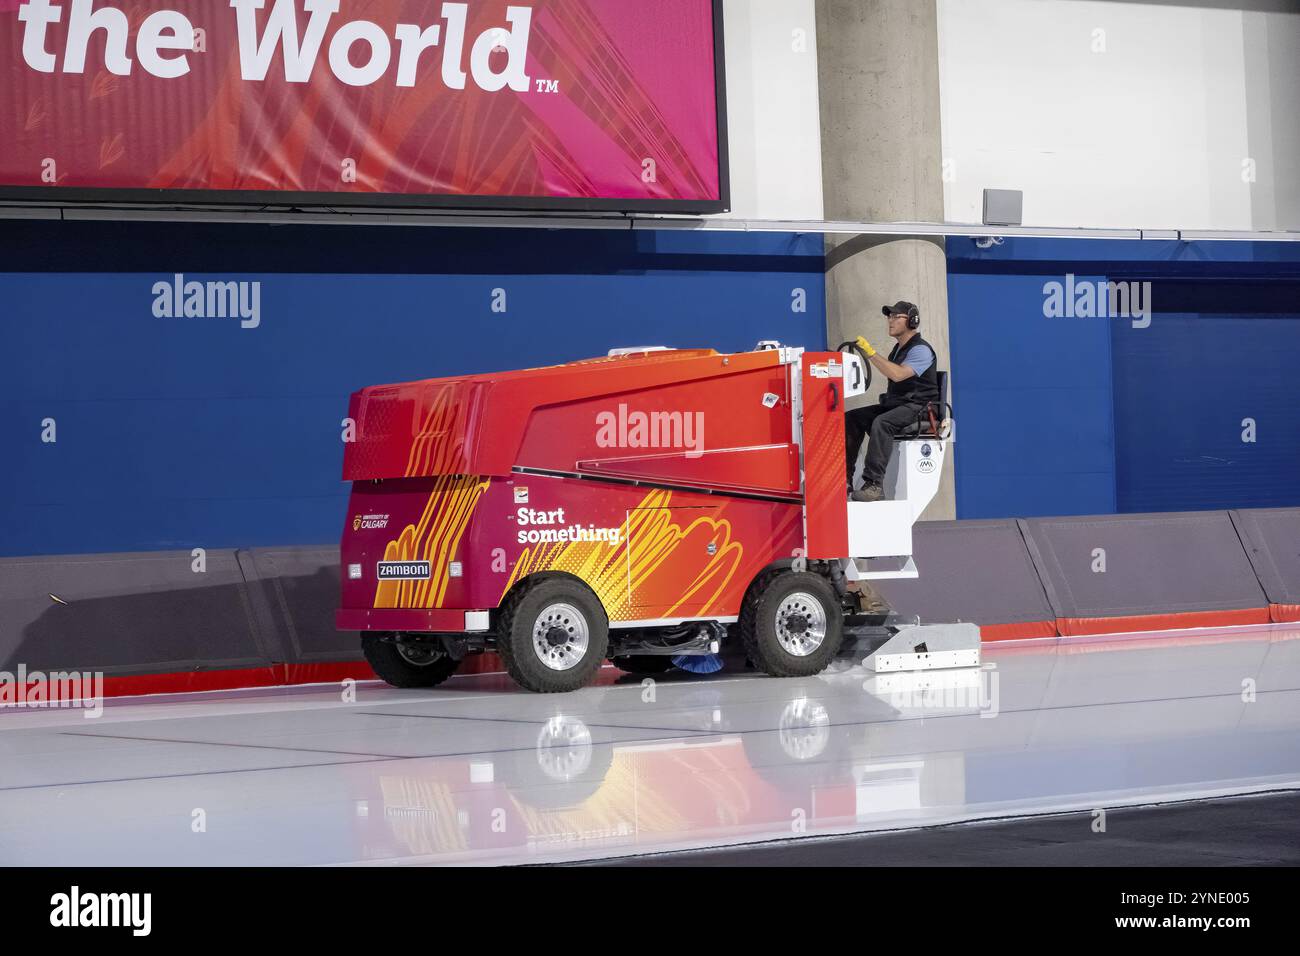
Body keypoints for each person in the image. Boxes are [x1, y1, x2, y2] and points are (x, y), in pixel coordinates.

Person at [845, 300, 940, 502]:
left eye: (897, 316)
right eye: (889, 316)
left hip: (920, 407)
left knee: (883, 422)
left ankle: (874, 485)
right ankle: (844, 480)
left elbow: (898, 375)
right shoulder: (897, 350)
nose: (890, 320)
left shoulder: (921, 350)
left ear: (912, 321)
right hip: (899, 404)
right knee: (853, 418)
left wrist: (870, 354)